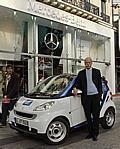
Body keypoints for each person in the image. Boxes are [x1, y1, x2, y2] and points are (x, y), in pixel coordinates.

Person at [73, 57, 102, 141]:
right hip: (86, 98)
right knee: (88, 116)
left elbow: (99, 85)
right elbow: (77, 83)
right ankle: (90, 133)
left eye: (89, 62)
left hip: (95, 96)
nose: (87, 64)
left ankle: (95, 134)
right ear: (84, 63)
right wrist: (75, 88)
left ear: (91, 63)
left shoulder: (97, 72)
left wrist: (99, 95)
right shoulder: (81, 73)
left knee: (96, 116)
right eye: (86, 63)